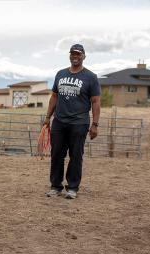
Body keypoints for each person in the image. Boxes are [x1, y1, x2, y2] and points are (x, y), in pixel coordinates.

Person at [44, 44, 101, 199]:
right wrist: (48, 117)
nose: (75, 56)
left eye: (78, 54)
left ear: (84, 56)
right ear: (69, 55)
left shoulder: (90, 77)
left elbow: (95, 101)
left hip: (79, 123)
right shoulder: (60, 74)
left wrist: (94, 125)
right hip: (59, 122)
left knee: (76, 156)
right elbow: (54, 96)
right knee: (56, 154)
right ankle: (56, 186)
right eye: (73, 54)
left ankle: (72, 188)